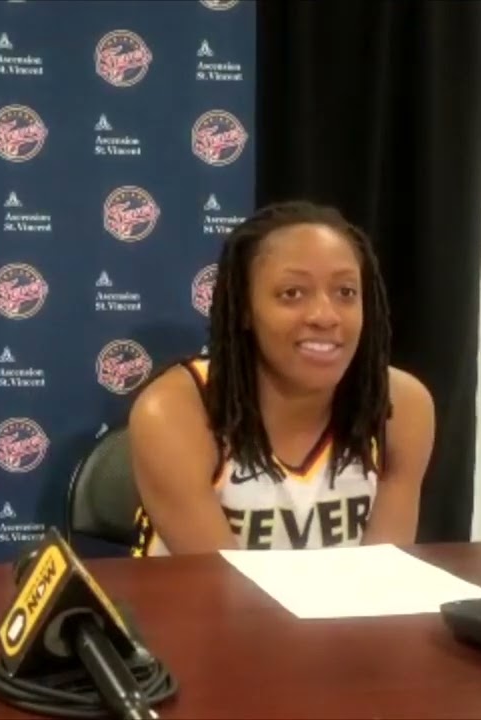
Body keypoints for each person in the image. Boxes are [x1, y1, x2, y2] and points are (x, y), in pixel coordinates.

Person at [129, 201, 435, 556]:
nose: (325, 315)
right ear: (244, 307)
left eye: (346, 292)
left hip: (346, 612)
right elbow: (220, 591)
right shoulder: (175, 411)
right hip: (199, 610)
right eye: (292, 294)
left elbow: (382, 580)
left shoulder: (402, 407)